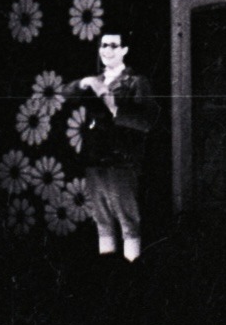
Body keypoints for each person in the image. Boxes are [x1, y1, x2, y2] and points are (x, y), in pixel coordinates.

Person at [66, 31, 158, 262]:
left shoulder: (136, 82)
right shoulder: (96, 81)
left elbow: (147, 120)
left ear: (124, 50)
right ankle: (108, 277)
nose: (107, 50)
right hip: (95, 159)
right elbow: (65, 94)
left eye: (113, 45)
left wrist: (112, 104)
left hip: (122, 161)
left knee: (128, 221)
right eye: (104, 45)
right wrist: (83, 83)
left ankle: (132, 273)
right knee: (102, 221)